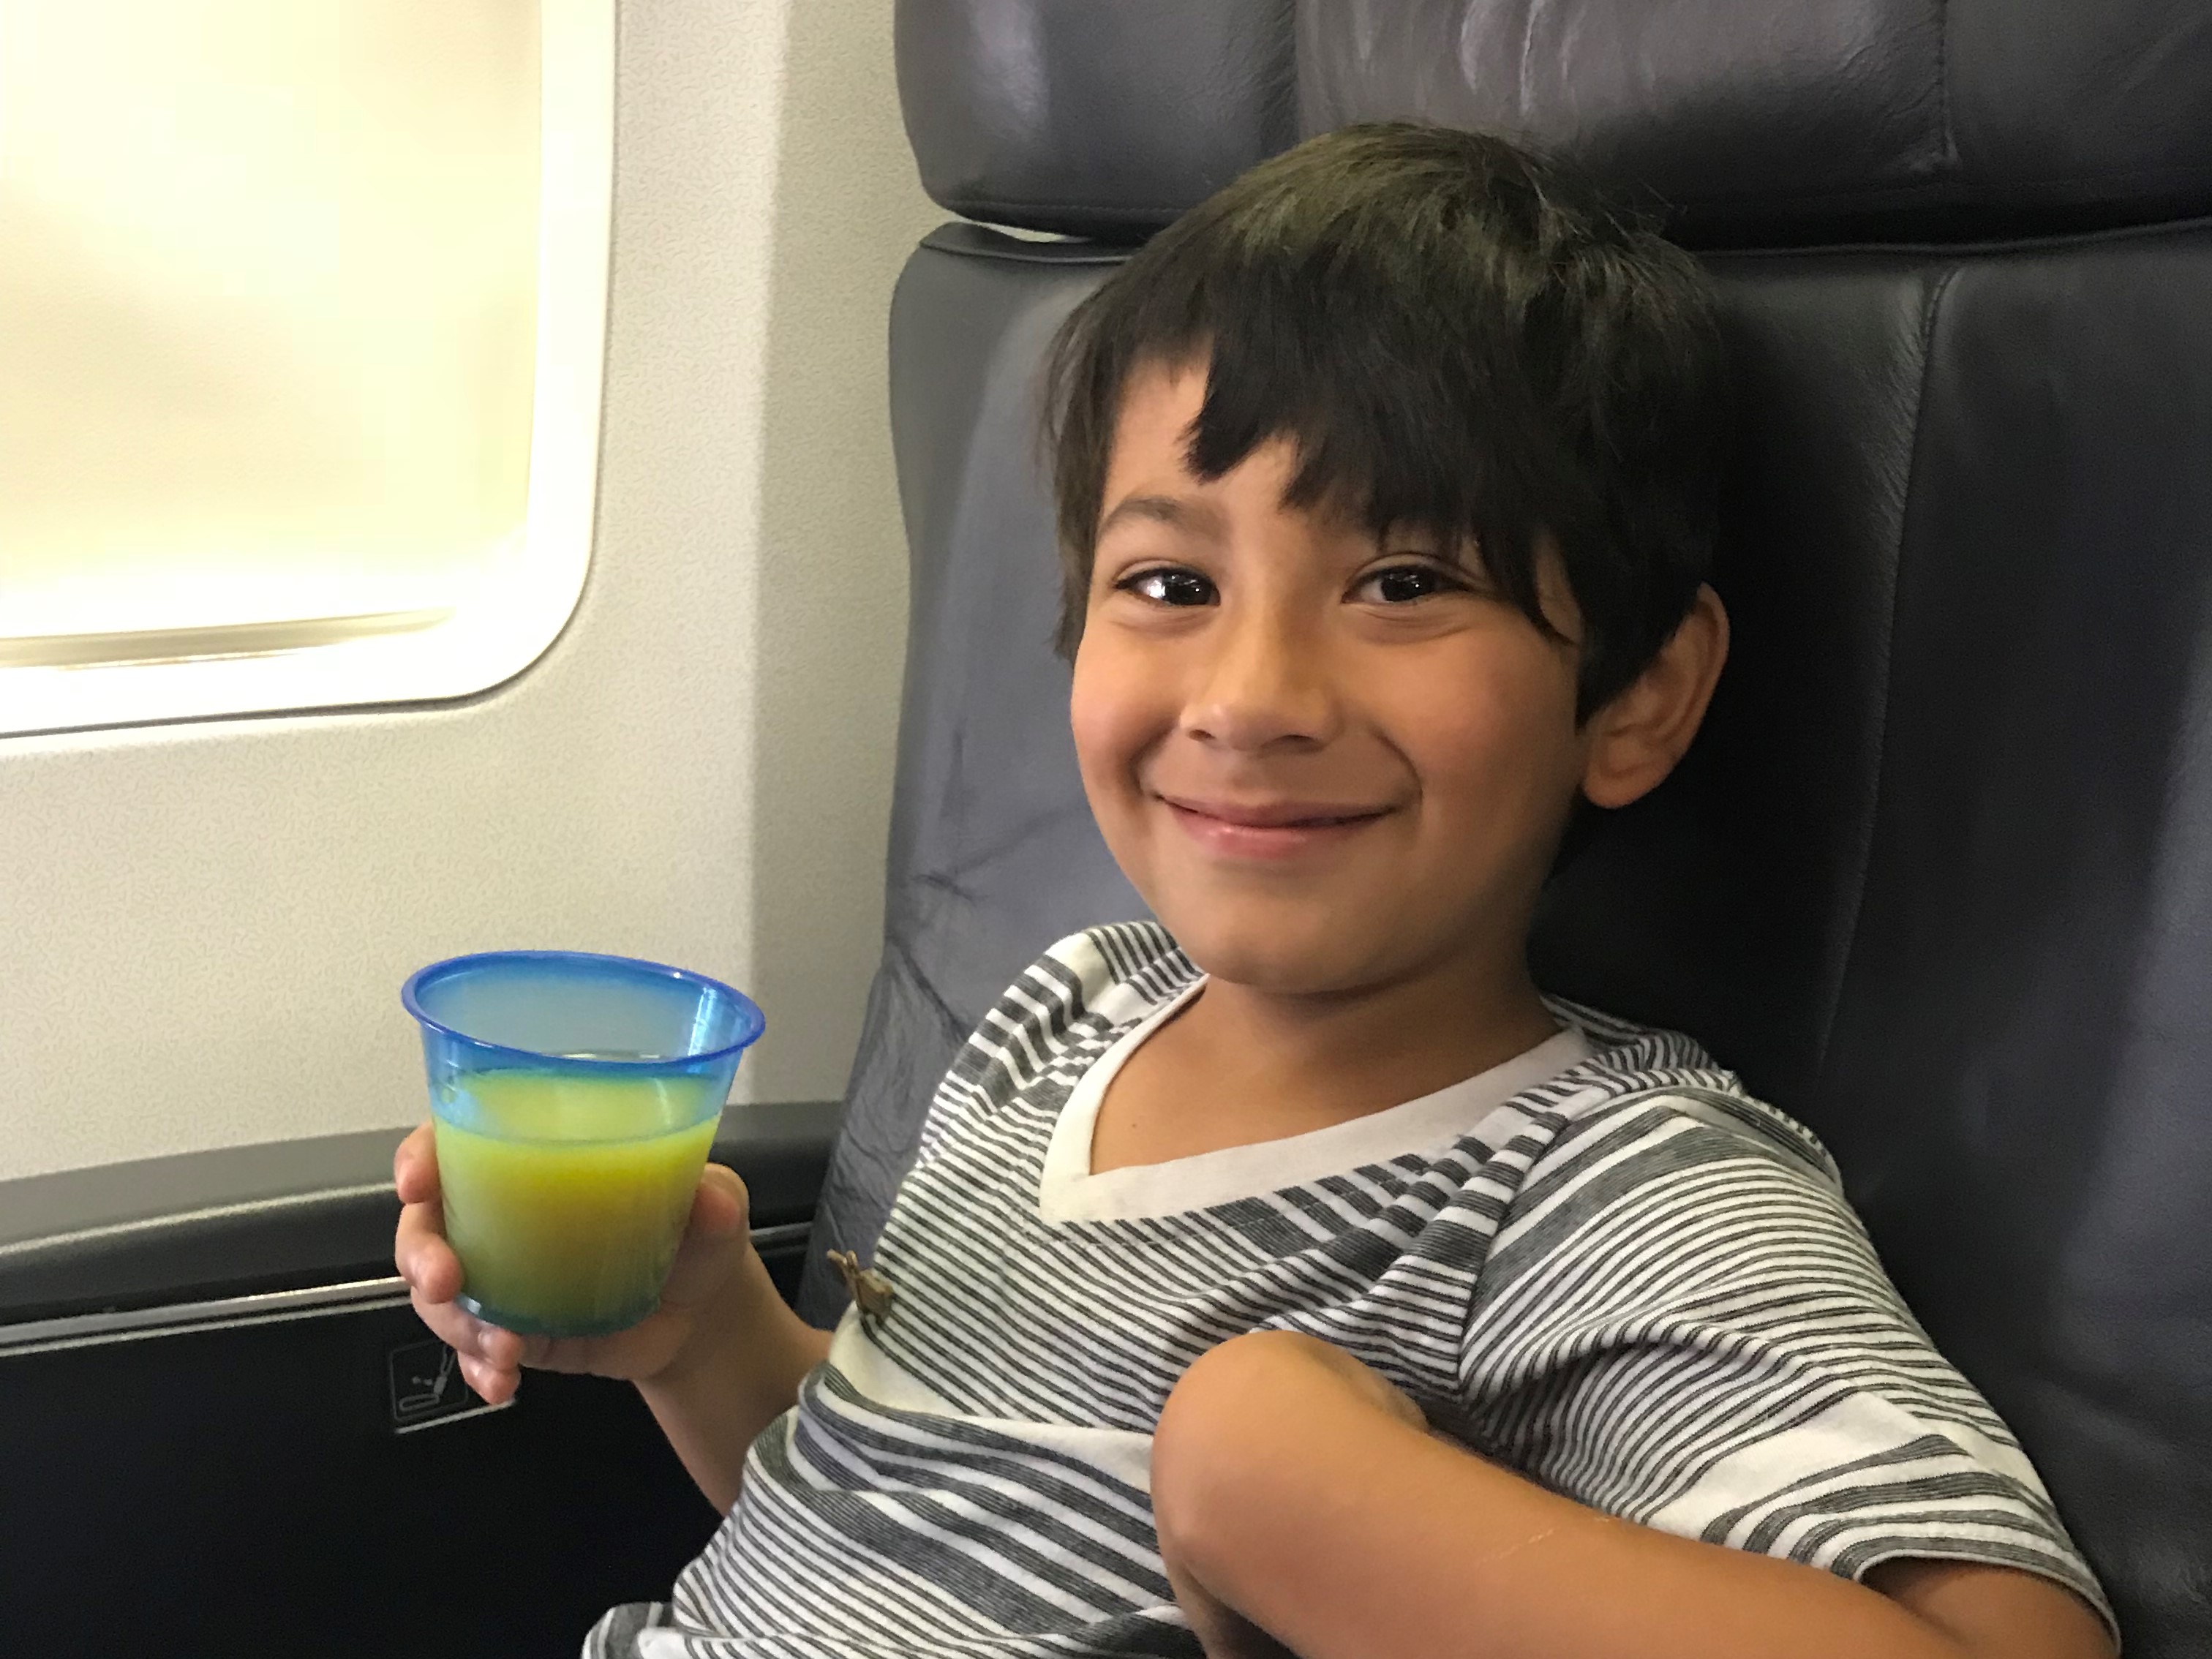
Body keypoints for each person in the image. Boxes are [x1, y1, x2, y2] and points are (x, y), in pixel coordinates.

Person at [394, 124, 2118, 1659]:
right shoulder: (1064, 1009)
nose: (1251, 696)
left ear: (1642, 693)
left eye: (1402, 577)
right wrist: (701, 1338)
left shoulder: (1596, 1184)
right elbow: (883, 1529)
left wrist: (1314, 1510)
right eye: (1167, 579)